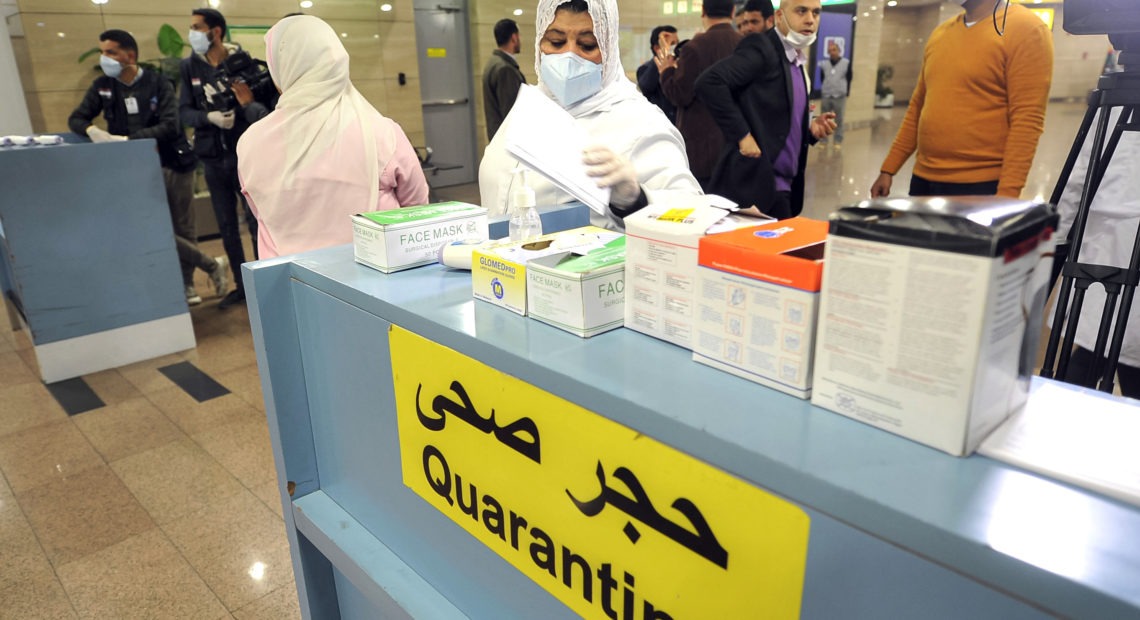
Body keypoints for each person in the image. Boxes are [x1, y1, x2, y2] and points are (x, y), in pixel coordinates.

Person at [478, 0, 701, 231]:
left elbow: (690, 216)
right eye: (556, 42)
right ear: (539, 44)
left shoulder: (641, 121)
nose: (569, 55)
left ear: (609, 49)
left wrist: (636, 200)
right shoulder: (531, 106)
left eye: (587, 45)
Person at [237, 16, 430, 260]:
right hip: (375, 283)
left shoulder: (250, 142)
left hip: (288, 283)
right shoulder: (381, 132)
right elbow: (419, 210)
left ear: (281, 68)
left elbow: (259, 213)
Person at [68, 29, 228, 306]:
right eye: (103, 52)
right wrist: (92, 129)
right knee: (151, 226)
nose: (104, 58)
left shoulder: (159, 83)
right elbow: (77, 118)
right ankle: (211, 264)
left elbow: (170, 125)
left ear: (129, 55)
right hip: (133, 171)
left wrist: (128, 140)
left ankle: (187, 284)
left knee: (183, 226)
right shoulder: (103, 87)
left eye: (110, 52)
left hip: (173, 164)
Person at [869, 0, 1053, 199]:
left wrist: (1007, 195)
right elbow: (917, 108)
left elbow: (1027, 120)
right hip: (924, 180)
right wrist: (888, 169)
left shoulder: (1026, 29)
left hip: (980, 185)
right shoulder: (941, 33)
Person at [696, 0, 836, 219]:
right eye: (801, 11)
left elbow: (777, 117)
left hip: (784, 187)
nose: (810, 19)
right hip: (759, 185)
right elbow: (710, 82)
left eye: (816, 13)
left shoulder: (796, 59)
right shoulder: (762, 48)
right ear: (779, 16)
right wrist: (743, 135)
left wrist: (810, 131)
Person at [180, 8, 272, 309]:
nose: (192, 32)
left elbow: (260, 104)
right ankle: (241, 286)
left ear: (215, 31)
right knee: (227, 226)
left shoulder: (241, 62)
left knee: (256, 221)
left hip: (244, 155)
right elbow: (184, 111)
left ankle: (262, 284)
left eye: (196, 27)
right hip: (212, 157)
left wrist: (245, 108)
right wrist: (209, 117)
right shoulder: (189, 67)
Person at [1054, 107, 1140, 397]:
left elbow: (1078, 179)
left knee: (1099, 353)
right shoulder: (1115, 102)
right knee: (1104, 355)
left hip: (1100, 250)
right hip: (1102, 249)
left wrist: (1056, 240)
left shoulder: (1116, 102)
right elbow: (1079, 177)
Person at [657, 0, 741, 191]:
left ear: (703, 11)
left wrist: (667, 72)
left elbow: (680, 95)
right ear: (733, 11)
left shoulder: (695, 47)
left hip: (701, 148)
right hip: (737, 145)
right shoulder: (742, 44)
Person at [483, 19, 527, 141]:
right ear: (514, 37)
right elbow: (512, 113)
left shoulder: (493, 62)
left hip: (499, 138)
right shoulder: (505, 69)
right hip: (508, 142)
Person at [636, 25, 678, 124]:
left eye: (677, 43)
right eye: (671, 43)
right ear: (656, 48)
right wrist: (664, 54)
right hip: (658, 124)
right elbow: (646, 87)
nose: (675, 47)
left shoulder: (681, 67)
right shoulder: (644, 69)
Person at [819, 40, 851, 149]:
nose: (832, 52)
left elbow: (849, 77)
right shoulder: (824, 64)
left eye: (834, 50)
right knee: (824, 119)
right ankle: (823, 141)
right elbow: (822, 78)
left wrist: (844, 90)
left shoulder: (846, 63)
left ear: (839, 51)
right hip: (826, 95)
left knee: (839, 120)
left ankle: (838, 141)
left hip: (840, 96)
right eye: (830, 50)